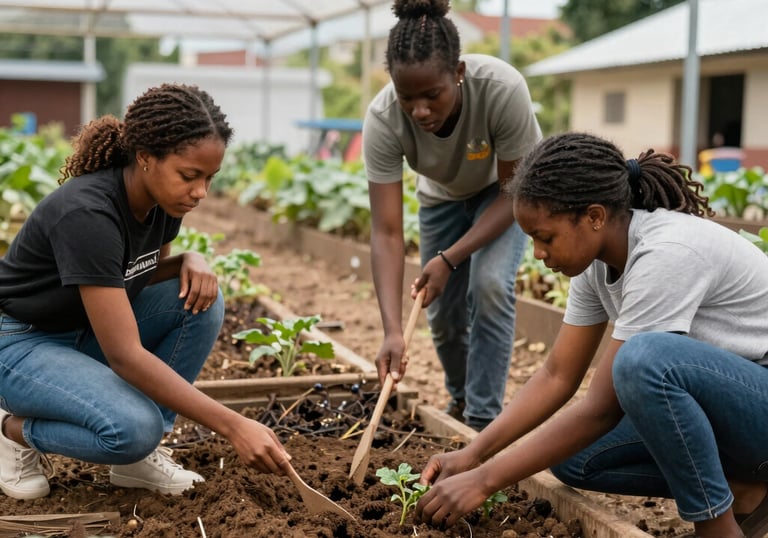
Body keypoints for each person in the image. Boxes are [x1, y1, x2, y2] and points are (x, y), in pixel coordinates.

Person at [413, 131, 768, 538]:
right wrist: (473, 454)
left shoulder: (667, 252)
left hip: (759, 402)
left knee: (642, 361)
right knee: (575, 458)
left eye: (545, 237)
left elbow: (602, 407)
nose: (539, 253)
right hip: (737, 412)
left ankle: (717, 526)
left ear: (595, 216)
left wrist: (485, 481)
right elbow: (557, 375)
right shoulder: (597, 261)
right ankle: (746, 488)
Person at [0, 83, 291, 501]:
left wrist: (189, 259)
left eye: (210, 178)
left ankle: (134, 463)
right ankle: (11, 430)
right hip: (20, 343)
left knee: (198, 302)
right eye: (189, 176)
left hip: (79, 331)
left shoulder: (161, 204)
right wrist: (233, 425)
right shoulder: (89, 214)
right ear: (145, 158)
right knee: (135, 429)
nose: (200, 193)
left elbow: (137, 277)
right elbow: (124, 355)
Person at [363, 0, 542, 431]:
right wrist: (392, 331)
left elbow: (514, 192)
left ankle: (482, 421)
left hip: (504, 196)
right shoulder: (383, 119)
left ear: (458, 73)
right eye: (408, 97)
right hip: (441, 200)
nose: (420, 110)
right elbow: (386, 233)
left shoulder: (502, 89)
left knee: (489, 285)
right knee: (439, 314)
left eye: (432, 95)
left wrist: (449, 258)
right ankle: (462, 401)